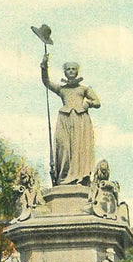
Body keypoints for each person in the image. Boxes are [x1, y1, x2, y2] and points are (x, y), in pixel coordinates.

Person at [41, 54, 100, 186]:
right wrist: (44, 66)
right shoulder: (62, 89)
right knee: (64, 147)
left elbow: (97, 102)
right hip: (65, 120)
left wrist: (88, 103)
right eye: (68, 69)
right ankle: (65, 177)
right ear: (65, 72)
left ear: (77, 71)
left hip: (80, 120)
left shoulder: (84, 88)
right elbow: (46, 82)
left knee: (79, 147)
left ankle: (81, 177)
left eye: (73, 69)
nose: (71, 71)